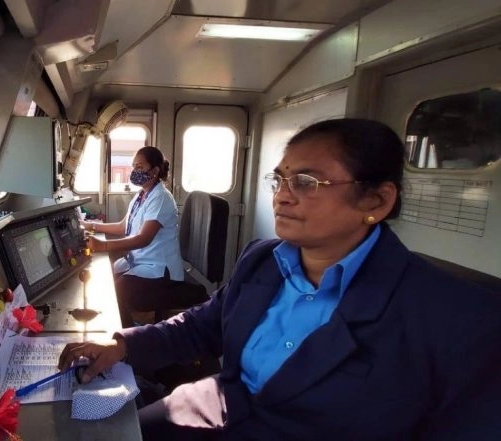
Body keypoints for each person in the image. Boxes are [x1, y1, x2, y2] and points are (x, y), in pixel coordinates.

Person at [60, 119, 501, 440]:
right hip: (222, 404)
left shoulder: (458, 318)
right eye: (281, 178)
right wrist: (122, 345)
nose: (282, 195)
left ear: (378, 200)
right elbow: (203, 325)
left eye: (308, 182)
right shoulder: (264, 259)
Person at [81, 146, 206, 327]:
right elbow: (124, 226)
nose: (134, 172)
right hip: (141, 262)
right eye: (134, 167)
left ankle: (128, 340)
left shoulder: (161, 197)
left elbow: (143, 239)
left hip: (160, 270)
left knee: (117, 290)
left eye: (139, 167)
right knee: (107, 277)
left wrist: (103, 246)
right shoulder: (141, 195)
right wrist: (91, 225)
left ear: (154, 171)